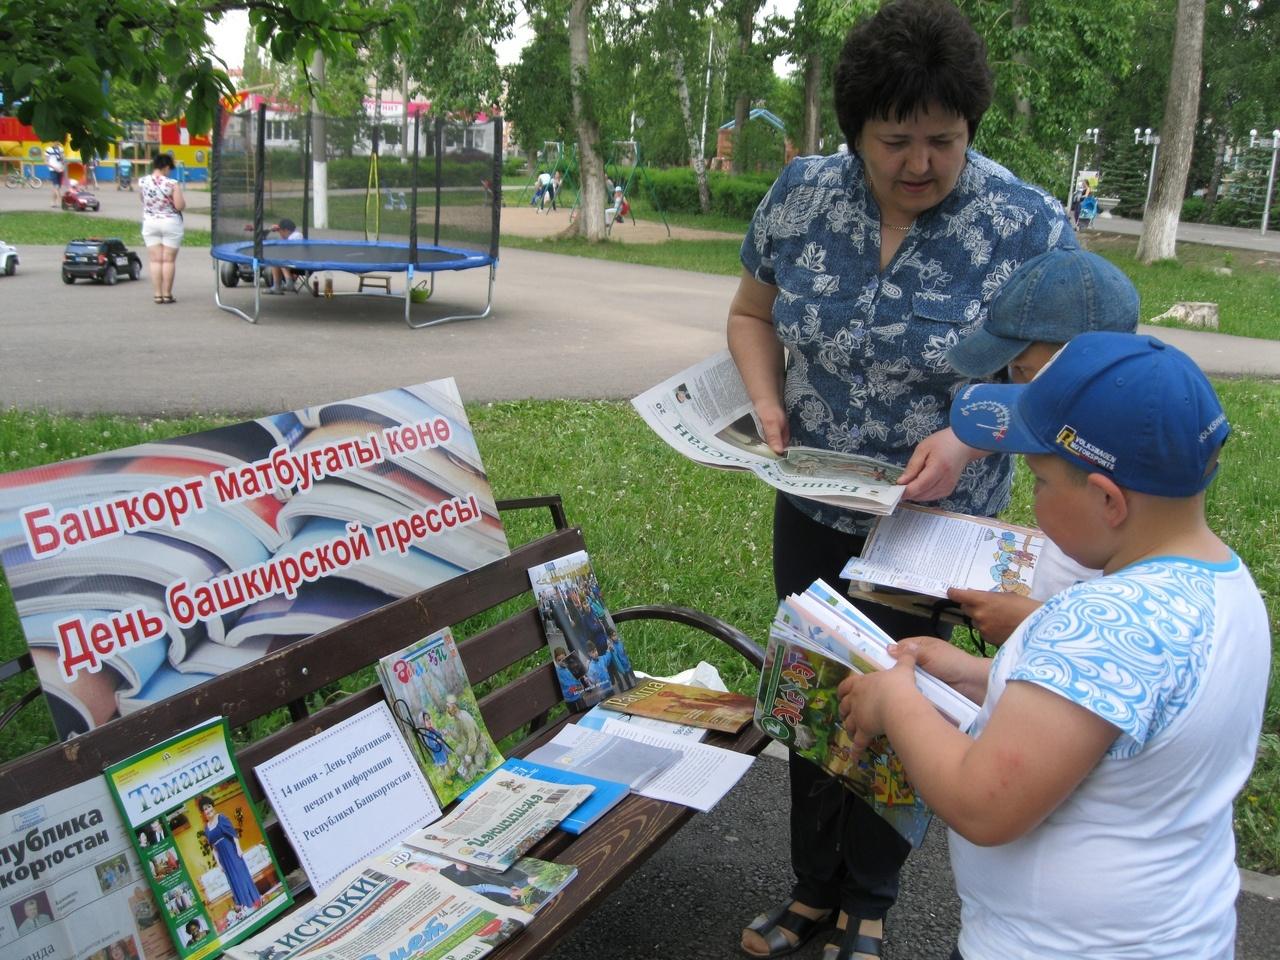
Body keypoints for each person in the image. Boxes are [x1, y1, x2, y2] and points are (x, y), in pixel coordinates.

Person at [728, 3, 1073, 958]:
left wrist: (966, 437)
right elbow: (752, 317)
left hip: (938, 524)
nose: (920, 163)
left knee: (906, 701)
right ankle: (809, 883)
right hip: (813, 501)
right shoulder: (800, 196)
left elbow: (1058, 384)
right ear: (855, 132)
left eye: (943, 141)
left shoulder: (1025, 225)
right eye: (896, 141)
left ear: (971, 131)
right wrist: (765, 405)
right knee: (814, 686)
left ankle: (870, 896)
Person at [838, 331, 1268, 958]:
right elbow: (1119, 712)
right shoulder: (1220, 583)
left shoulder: (1103, 621)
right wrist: (975, 674)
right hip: (1177, 935)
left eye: (1039, 482)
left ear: (1106, 499)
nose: (1032, 498)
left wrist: (893, 703)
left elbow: (984, 805)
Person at [939, 247, 1140, 643]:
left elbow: (1113, 641)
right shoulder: (1076, 416)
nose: (1015, 384)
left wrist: (1034, 623)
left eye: (1024, 370)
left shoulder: (1129, 458)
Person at [196, 796, 262, 913]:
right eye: (205, 809)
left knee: (241, 876)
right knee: (233, 880)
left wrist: (238, 849)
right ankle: (245, 906)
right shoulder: (206, 828)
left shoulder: (222, 818)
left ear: (213, 806)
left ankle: (254, 901)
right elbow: (213, 848)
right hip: (223, 857)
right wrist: (218, 863)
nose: (208, 810)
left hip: (231, 851)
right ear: (203, 812)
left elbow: (233, 835)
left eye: (209, 806)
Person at [138, 152, 186, 304]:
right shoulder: (172, 183)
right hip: (170, 223)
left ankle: (157, 294)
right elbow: (179, 205)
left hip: (150, 223)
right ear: (166, 167)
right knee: (168, 261)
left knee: (155, 261)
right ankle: (167, 294)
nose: (169, 171)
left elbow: (142, 200)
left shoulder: (143, 181)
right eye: (169, 168)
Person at [264, 218, 304, 294]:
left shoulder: (296, 235)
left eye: (280, 231)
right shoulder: (294, 236)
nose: (280, 234)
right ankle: (277, 286)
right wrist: (271, 229)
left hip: (299, 265)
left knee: (279, 256)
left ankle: (287, 281)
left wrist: (271, 229)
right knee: (275, 258)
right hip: (294, 263)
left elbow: (285, 250)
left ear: (286, 230)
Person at [45, 143, 65, 208]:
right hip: (53, 170)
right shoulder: (49, 149)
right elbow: (46, 162)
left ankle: (53, 202)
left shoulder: (61, 149)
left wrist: (62, 166)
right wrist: (54, 168)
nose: (56, 143)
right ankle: (61, 201)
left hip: (60, 169)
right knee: (56, 186)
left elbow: (62, 160)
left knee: (57, 187)